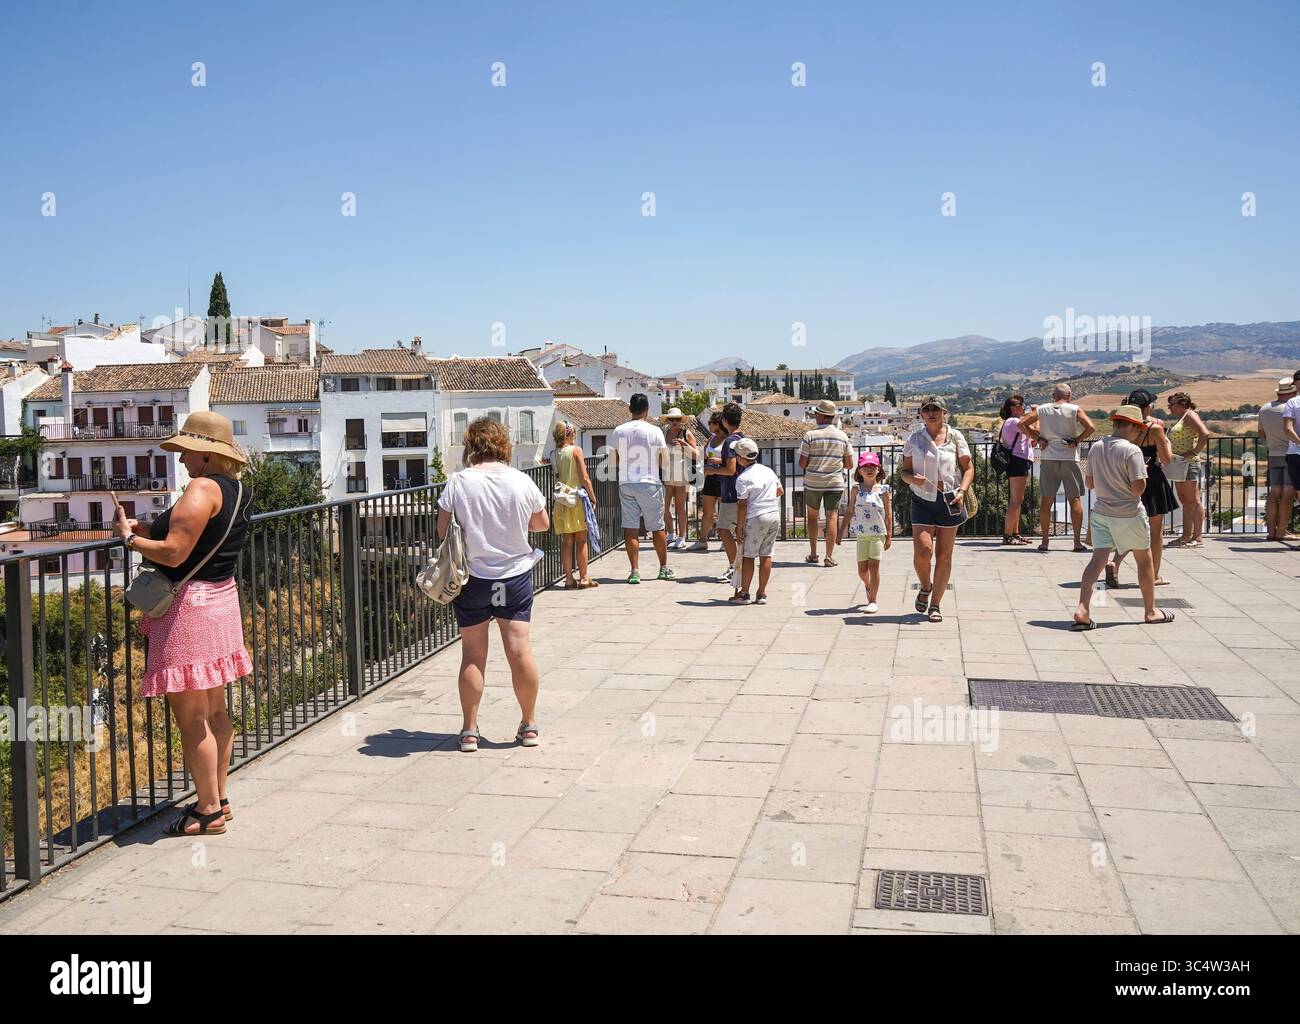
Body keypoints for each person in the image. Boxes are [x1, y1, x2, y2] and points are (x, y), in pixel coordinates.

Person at [113, 411, 253, 837]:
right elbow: (197, 537)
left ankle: (207, 811)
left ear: (206, 454)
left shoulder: (201, 487)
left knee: (192, 718)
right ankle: (220, 798)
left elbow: (174, 552)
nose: (181, 459)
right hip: (221, 601)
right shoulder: (236, 489)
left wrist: (130, 539)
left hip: (189, 611)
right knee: (215, 710)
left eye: (186, 451)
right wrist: (147, 526)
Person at [437, 417, 549, 752]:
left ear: (471, 445)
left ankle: (469, 731)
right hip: (514, 576)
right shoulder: (521, 481)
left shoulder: (458, 483)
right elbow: (541, 524)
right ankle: (528, 725)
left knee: (473, 654)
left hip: (474, 579)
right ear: (503, 444)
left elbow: (443, 531)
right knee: (519, 651)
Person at [1072, 406, 1175, 630]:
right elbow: (1138, 489)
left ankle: (1083, 608)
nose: (1139, 433)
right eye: (1138, 429)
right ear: (1132, 426)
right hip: (1129, 512)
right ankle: (1151, 611)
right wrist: (1141, 473)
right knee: (1144, 560)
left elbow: (1089, 484)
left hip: (1101, 511)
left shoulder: (1096, 447)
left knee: (1097, 559)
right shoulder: (1132, 451)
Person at [899, 397, 972, 623]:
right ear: (921, 414)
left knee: (944, 555)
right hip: (922, 500)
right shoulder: (914, 439)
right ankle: (925, 586)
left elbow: (968, 468)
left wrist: (962, 491)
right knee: (923, 551)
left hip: (950, 501)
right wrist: (914, 479)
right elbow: (904, 472)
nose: (931, 413)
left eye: (936, 409)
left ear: (944, 412)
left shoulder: (956, 437)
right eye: (927, 410)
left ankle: (936, 605)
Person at [1107, 389, 1176, 589]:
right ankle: (1154, 575)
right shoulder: (1154, 429)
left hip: (1127, 479)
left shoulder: (1123, 428)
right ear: (1146, 408)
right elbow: (1166, 459)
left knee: (1131, 527)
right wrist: (1167, 442)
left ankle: (1116, 562)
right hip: (1151, 479)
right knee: (1155, 531)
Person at [1018, 383, 1096, 551]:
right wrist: (1077, 440)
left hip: (1048, 457)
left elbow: (1022, 424)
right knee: (1074, 499)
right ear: (1070, 395)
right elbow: (1091, 427)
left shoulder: (1042, 409)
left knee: (1047, 500)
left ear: (1053, 396)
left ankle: (1045, 541)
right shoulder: (1075, 409)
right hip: (1069, 458)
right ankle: (1076, 542)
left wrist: (1038, 439)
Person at [610, 393, 672, 584]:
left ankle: (635, 571)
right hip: (649, 482)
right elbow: (665, 462)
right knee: (657, 527)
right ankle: (663, 568)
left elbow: (614, 461)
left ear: (630, 409)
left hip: (626, 482)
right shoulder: (655, 431)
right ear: (646, 410)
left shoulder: (618, 431)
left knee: (631, 528)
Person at [799, 399, 854, 567]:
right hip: (834, 483)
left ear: (821, 416)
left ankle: (814, 553)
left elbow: (802, 463)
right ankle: (829, 557)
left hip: (813, 483)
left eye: (816, 413)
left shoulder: (810, 435)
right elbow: (850, 464)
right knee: (832, 517)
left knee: (812, 518)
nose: (815, 415)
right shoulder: (842, 436)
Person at [729, 438, 783, 605]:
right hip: (774, 514)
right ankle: (761, 593)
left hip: (756, 517)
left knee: (749, 556)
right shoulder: (768, 471)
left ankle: (744, 594)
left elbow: (742, 506)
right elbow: (779, 491)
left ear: (740, 458)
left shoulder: (743, 478)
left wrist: (739, 529)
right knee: (766, 554)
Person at [839, 452, 892, 613]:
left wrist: (889, 536)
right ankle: (868, 586)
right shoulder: (856, 490)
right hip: (862, 534)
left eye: (872, 466)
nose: (869, 469)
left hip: (878, 533)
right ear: (859, 471)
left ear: (878, 469)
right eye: (865, 466)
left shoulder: (883, 490)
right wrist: (840, 532)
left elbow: (889, 515)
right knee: (862, 571)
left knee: (874, 566)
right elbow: (849, 511)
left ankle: (873, 600)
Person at [550, 419, 599, 589]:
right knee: (581, 540)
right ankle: (584, 577)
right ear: (570, 434)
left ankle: (569, 579)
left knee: (567, 541)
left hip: (562, 502)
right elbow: (584, 478)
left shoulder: (554, 453)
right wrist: (593, 497)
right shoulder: (576, 451)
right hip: (576, 500)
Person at [1165, 392, 1210, 547]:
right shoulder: (1183, 417)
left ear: (1181, 404)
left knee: (1193, 500)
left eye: (1171, 405)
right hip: (1180, 463)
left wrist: (1195, 452)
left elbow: (1204, 433)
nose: (1169, 408)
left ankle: (1197, 537)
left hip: (1189, 463)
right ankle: (1186, 536)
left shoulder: (1190, 415)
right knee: (1185, 501)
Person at [707, 403, 744, 584]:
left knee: (723, 529)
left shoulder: (729, 441)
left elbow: (730, 470)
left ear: (724, 420)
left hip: (730, 492)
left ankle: (734, 567)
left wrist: (711, 471)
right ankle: (740, 565)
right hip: (743, 493)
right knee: (739, 532)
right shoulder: (742, 438)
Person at [1257, 377, 1297, 541]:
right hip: (1291, 453)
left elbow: (1261, 433)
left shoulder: (1265, 409)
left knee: (1274, 493)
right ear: (1293, 392)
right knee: (1288, 493)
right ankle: (1282, 531)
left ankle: (1271, 531)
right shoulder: (1292, 408)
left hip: (1273, 454)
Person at [997, 394, 1034, 545]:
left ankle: (1015, 533)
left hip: (1020, 461)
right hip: (1018, 461)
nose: (1022, 407)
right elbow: (1032, 431)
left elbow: (1032, 434)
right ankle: (1007, 535)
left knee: (1018, 500)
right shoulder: (1014, 421)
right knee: (1015, 500)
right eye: (1020, 405)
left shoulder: (1014, 422)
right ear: (1013, 408)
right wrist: (1034, 413)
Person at [661, 407, 698, 551]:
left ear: (681, 421)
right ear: (668, 420)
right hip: (666, 473)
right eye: (672, 419)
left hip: (681, 473)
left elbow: (695, 454)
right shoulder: (664, 433)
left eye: (677, 419)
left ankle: (681, 538)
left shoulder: (686, 433)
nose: (675, 422)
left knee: (680, 507)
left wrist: (684, 446)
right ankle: (671, 534)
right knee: (664, 506)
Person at [689, 411, 726, 552]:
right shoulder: (711, 439)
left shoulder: (728, 439)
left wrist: (719, 461)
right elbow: (703, 456)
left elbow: (732, 460)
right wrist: (704, 466)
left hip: (723, 477)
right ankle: (702, 540)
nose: (709, 424)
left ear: (718, 424)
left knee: (724, 511)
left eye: (711, 422)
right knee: (707, 511)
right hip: (710, 476)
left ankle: (725, 540)